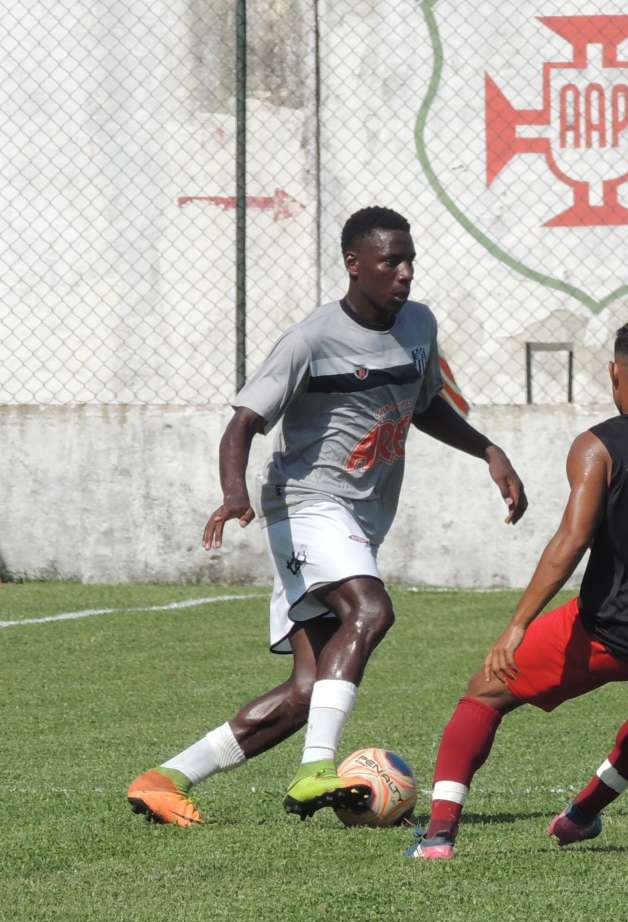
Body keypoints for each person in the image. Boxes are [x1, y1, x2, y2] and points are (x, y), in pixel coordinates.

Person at [127, 206, 527, 827]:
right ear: (354, 265)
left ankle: (164, 778)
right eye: (391, 261)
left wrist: (488, 450)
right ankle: (317, 769)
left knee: (307, 691)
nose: (405, 272)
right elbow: (243, 423)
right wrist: (235, 493)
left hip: (359, 520)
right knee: (372, 610)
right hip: (305, 504)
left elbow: (425, 406)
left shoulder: (418, 324)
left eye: (410, 258)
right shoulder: (310, 339)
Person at [406, 317, 628, 859]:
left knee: (483, 694)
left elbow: (571, 543)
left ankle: (438, 836)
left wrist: (516, 626)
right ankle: (580, 817)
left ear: (614, 372)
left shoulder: (598, 445)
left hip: (605, 631)